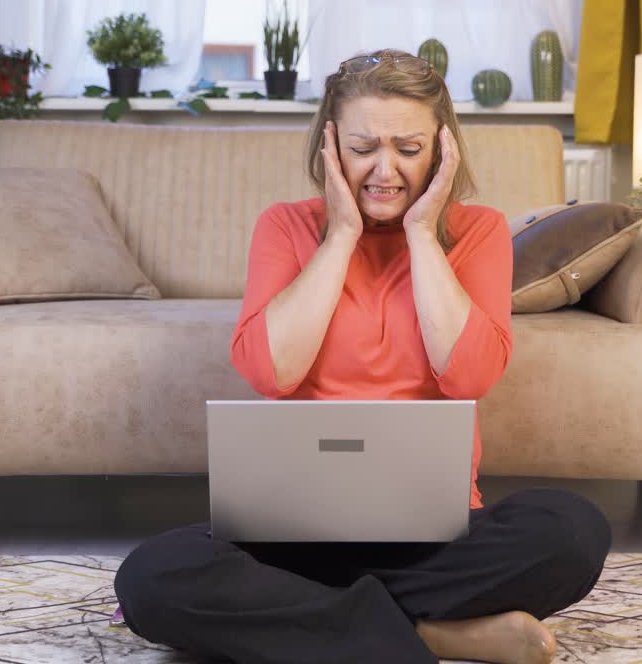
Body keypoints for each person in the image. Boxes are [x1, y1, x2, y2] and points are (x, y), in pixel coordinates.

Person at [113, 49, 611, 664]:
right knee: (152, 576)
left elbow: (469, 377)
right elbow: (274, 373)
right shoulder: (286, 226)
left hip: (437, 531)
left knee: (572, 531)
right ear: (330, 146)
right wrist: (342, 234)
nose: (386, 170)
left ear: (441, 150)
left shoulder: (477, 231)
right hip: (293, 531)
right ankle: (430, 634)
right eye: (363, 147)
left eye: (408, 148)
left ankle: (312, 618)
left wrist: (423, 234)